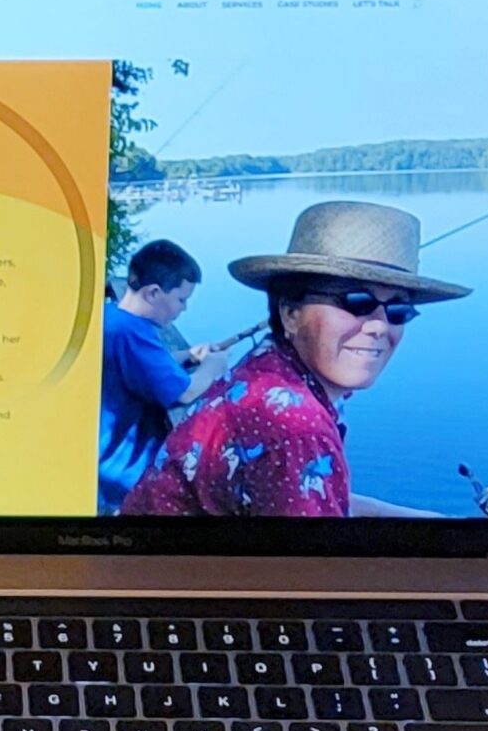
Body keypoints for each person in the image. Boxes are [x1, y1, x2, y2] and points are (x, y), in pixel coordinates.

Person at [120, 201, 469, 519]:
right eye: (356, 301)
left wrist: (436, 525)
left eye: (398, 309)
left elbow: (316, 493)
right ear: (290, 312)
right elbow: (317, 577)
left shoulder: (271, 368)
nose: (379, 325)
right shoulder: (294, 428)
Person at [94, 239, 234, 513]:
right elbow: (185, 393)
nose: (184, 308)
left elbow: (138, 365)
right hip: (124, 476)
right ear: (154, 293)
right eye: (181, 299)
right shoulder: (133, 333)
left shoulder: (113, 318)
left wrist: (186, 356)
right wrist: (213, 367)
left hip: (101, 466)